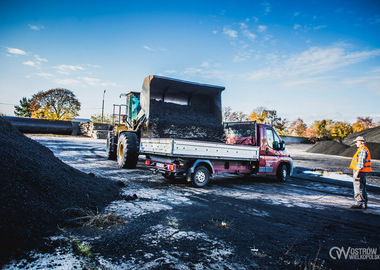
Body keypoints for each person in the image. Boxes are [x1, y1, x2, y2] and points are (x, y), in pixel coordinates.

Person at [349, 136, 371, 209]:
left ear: (361, 142)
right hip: (362, 172)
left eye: (357, 142)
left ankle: (358, 203)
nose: (356, 143)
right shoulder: (363, 149)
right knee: (362, 187)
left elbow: (360, 163)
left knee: (358, 187)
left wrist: (357, 172)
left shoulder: (362, 150)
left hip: (359, 171)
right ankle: (364, 202)